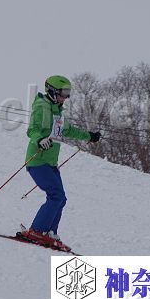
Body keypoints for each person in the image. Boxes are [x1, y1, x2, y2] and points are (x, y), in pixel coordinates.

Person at [19, 75, 101, 251]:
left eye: (68, 93)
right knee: (56, 196)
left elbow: (68, 131)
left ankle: (49, 232)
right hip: (38, 160)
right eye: (64, 93)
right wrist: (40, 139)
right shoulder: (42, 107)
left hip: (51, 163)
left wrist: (89, 136)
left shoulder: (58, 112)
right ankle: (37, 231)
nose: (66, 97)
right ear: (52, 91)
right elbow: (32, 130)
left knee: (60, 198)